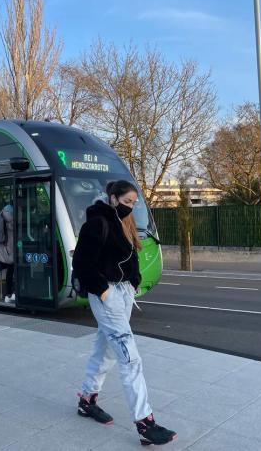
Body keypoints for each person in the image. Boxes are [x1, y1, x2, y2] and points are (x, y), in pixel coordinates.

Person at [72, 180, 177, 447]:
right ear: (113, 198)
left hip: (123, 293)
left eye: (134, 202)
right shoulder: (96, 224)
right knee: (130, 358)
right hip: (106, 295)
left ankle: (87, 400)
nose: (131, 206)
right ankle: (145, 423)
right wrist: (101, 290)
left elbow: (131, 257)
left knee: (105, 350)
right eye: (127, 201)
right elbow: (82, 262)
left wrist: (134, 279)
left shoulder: (125, 222)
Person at [0, 204, 15, 303]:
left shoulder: (1, 216)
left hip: (5, 249)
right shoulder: (11, 220)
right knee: (14, 270)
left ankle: (8, 294)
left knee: (10, 271)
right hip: (10, 249)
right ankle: (12, 293)